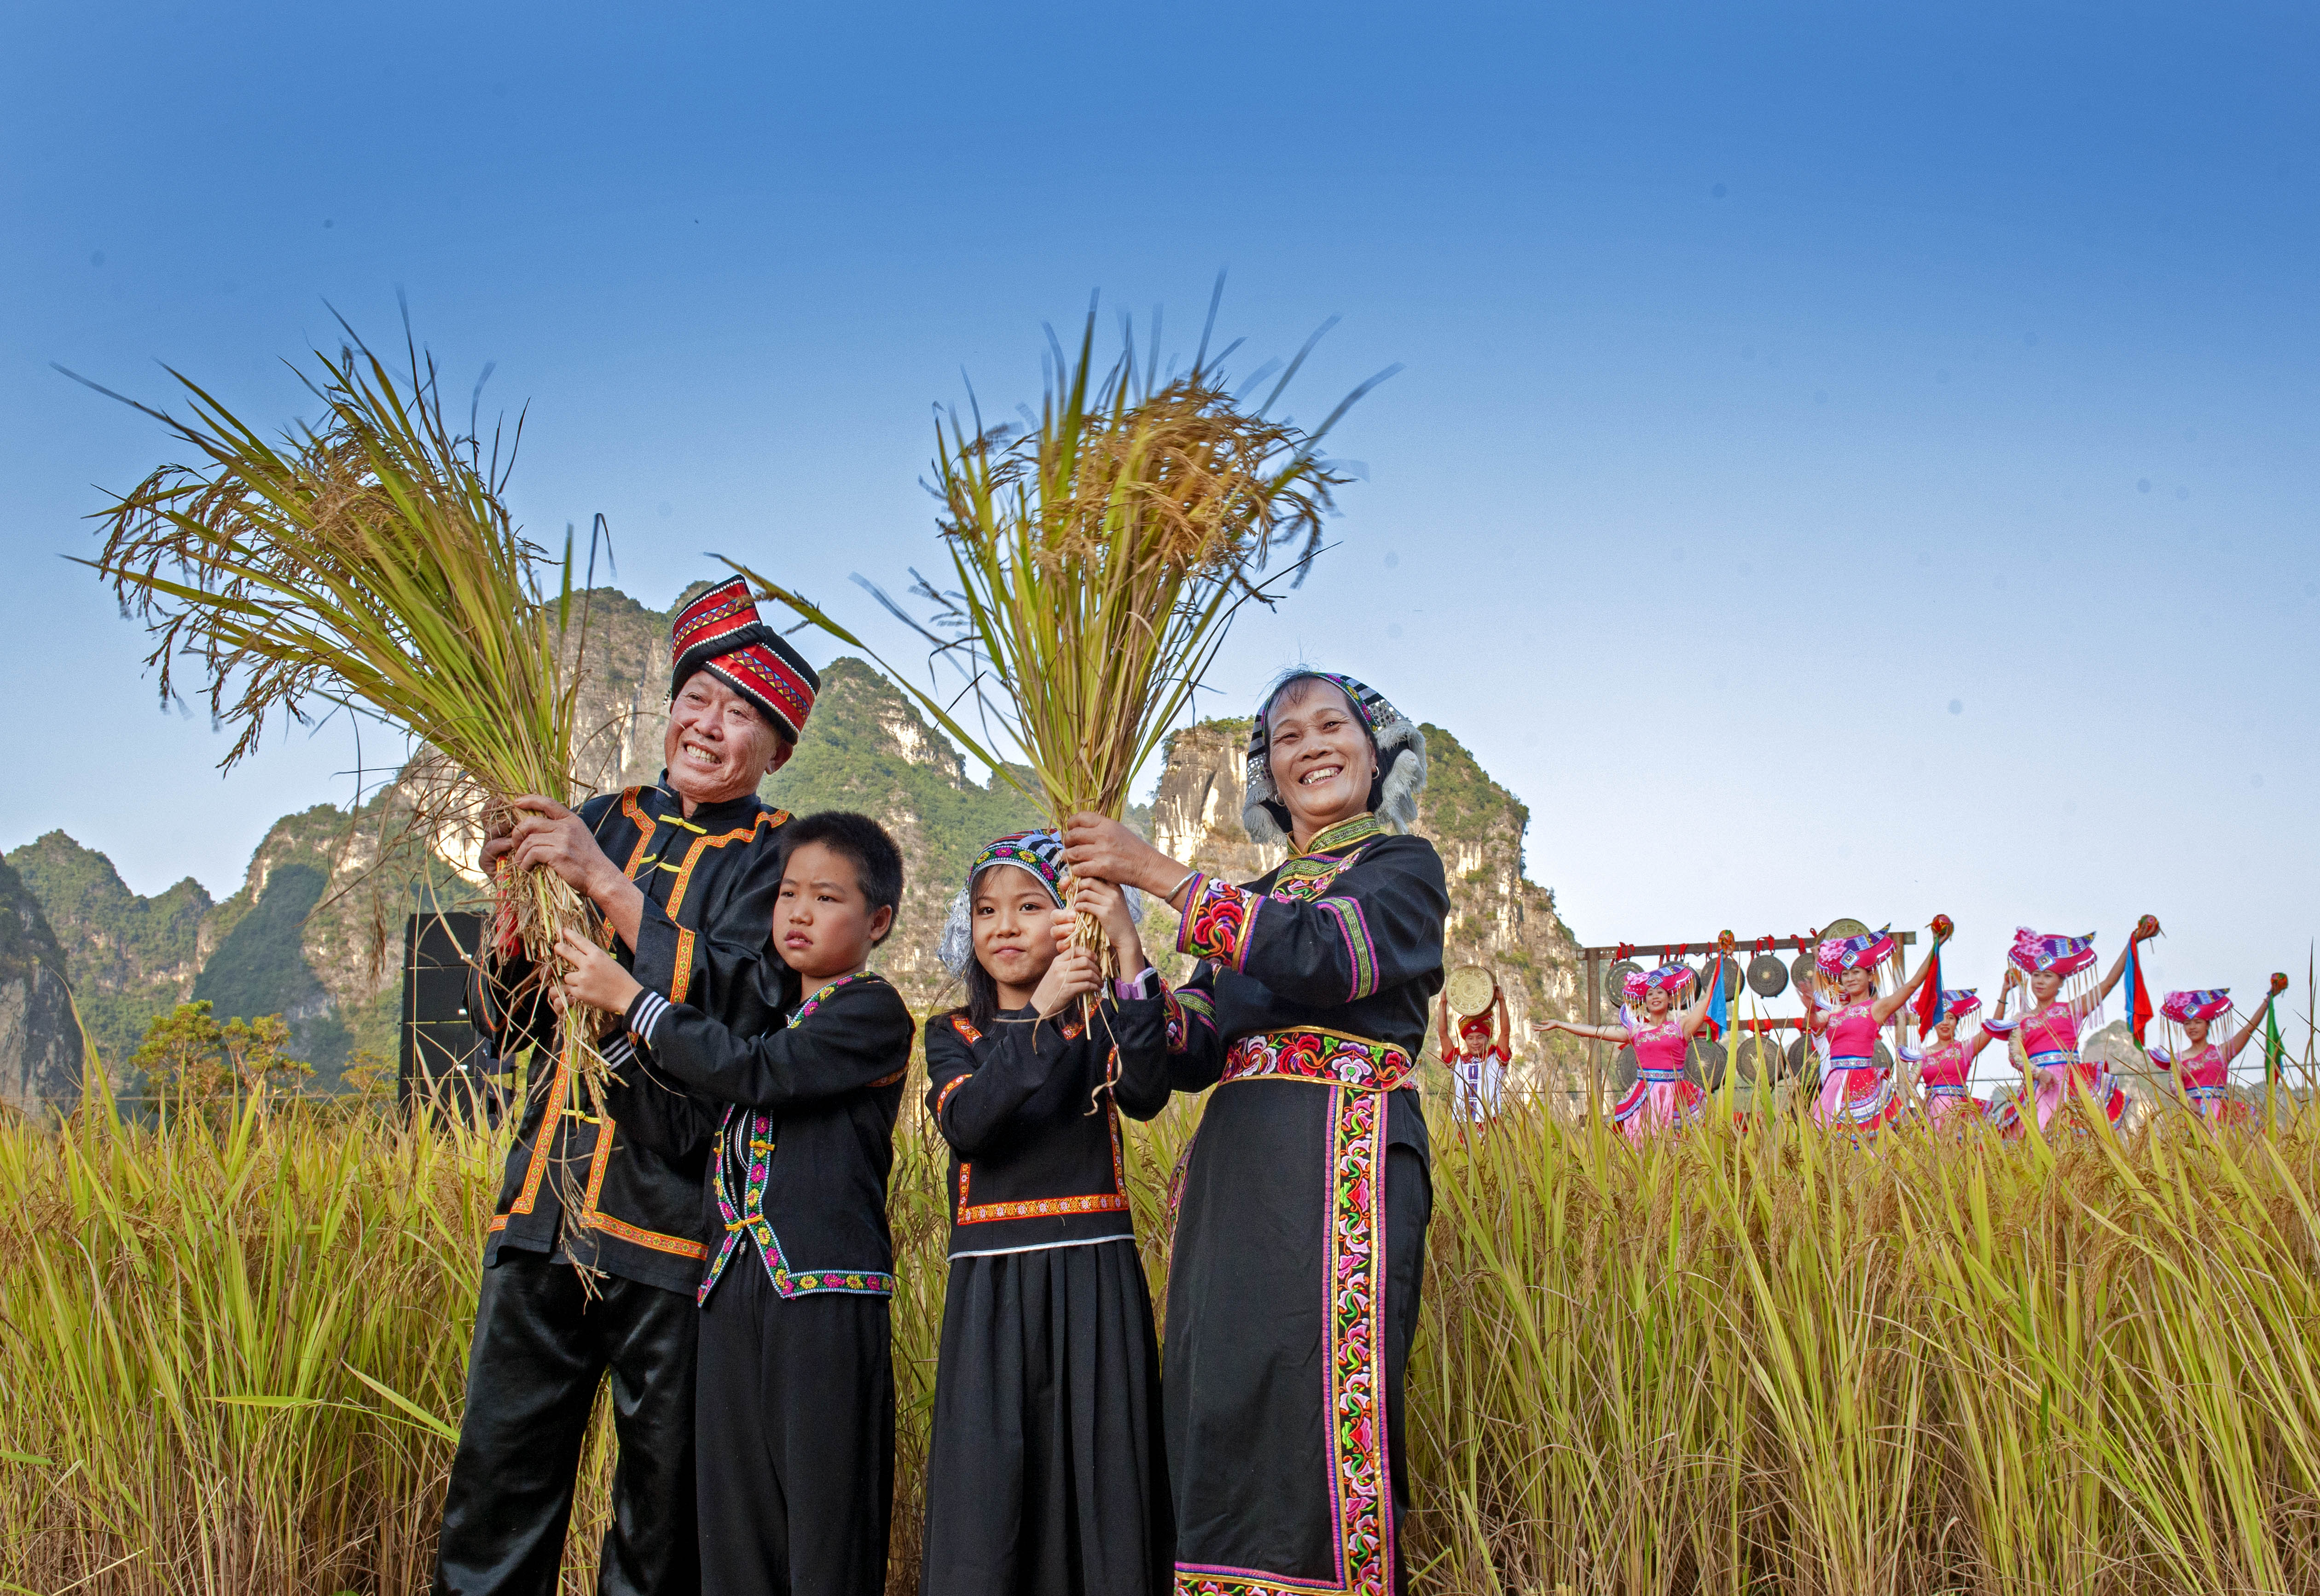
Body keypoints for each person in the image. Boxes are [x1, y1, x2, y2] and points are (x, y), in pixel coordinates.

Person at [434, 577, 818, 1596]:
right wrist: (511, 920)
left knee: (663, 1523)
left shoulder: (783, 860)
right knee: (495, 1494)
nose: (709, 724)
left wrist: (604, 881)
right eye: (697, 696)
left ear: (777, 750)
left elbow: (746, 1003)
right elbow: (505, 1026)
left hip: (682, 1232)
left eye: (743, 714)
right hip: (543, 1212)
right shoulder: (596, 813)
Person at [1061, 669, 1444, 1596]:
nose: (1309, 746)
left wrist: (1153, 872)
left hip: (1338, 1162)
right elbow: (1173, 1062)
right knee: (1215, 1403)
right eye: (1286, 737)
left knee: (1317, 1407)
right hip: (1234, 1186)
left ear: (1376, 748)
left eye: (1330, 728)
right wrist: (1123, 946)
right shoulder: (1246, 901)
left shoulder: (1401, 868)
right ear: (1267, 774)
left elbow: (1322, 957)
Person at [557, 811, 914, 1596]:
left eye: (826, 897)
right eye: (788, 892)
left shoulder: (872, 1013)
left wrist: (636, 999)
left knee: (825, 1522)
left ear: (877, 921)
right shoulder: (765, 1026)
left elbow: (759, 1075)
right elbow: (684, 1125)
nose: (797, 911)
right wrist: (608, 1032)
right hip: (729, 1295)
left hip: (822, 1294)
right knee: (734, 1527)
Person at [918, 831, 1174, 1596]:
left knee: (1104, 1480)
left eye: (1030, 907)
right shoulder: (952, 1034)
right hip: (991, 1294)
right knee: (991, 1489)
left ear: (1069, 921)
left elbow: (1148, 1092)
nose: (1004, 926)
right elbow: (970, 1123)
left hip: (1095, 1280)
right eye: (987, 910)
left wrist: (1125, 944)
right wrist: (1041, 1008)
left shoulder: (1097, 1026)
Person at [1983, 919, 2158, 1136]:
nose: (2040, 981)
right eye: (2036, 975)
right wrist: (2038, 1073)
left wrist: (2133, 943)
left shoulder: (2072, 1009)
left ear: (2061, 982)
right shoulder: (2020, 1020)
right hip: (2039, 1087)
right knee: (2037, 1142)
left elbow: (2109, 982)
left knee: (2077, 1141)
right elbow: (2015, 1057)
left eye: (2048, 976)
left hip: (2073, 1085)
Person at [1538, 966, 1715, 1142]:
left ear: (1670, 998)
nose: (1655, 997)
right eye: (1650, 994)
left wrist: (1722, 957)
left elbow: (1707, 1000)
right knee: (1640, 1148)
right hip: (1643, 1097)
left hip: (1674, 1096)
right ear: (1645, 1003)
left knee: (1676, 1147)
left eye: (1660, 992)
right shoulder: (1636, 1031)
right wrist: (1561, 1024)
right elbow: (1595, 1032)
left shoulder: (1681, 1028)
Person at [1800, 926, 1946, 1137]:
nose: (1850, 978)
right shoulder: (1834, 1014)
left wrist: (1935, 946)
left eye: (1856, 972)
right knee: (1833, 1148)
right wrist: (1811, 1008)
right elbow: (1814, 1024)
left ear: (1871, 976)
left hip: (1862, 1081)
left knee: (1866, 1144)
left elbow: (1913, 985)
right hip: (1834, 1084)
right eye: (1845, 974)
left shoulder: (1876, 1009)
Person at [2148, 977, 2283, 1125]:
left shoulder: (2222, 1052)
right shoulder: (2179, 1059)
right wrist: (2189, 1102)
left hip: (2223, 1114)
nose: (2192, 1027)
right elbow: (2176, 1086)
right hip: (2195, 1114)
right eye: (2188, 1024)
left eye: (2198, 1022)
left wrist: (2268, 1000)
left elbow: (2249, 1028)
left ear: (2207, 1025)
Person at [1897, 989, 2002, 1128]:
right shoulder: (1923, 1055)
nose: (1945, 1023)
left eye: (1951, 1018)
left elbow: (1992, 1029)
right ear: (1934, 1022)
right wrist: (1921, 1104)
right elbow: (1909, 1084)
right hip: (1934, 1115)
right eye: (1941, 1018)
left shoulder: (1965, 1049)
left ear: (1957, 1022)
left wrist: (2004, 993)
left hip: (1962, 1112)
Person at [1439, 981, 1510, 1124]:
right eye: (1470, 1038)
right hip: (1462, 1124)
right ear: (1465, 1040)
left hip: (1491, 1123)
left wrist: (1502, 1001)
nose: (1475, 1042)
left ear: (1488, 1038)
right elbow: (1443, 1036)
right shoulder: (1458, 1062)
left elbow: (1505, 1033)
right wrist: (1443, 1004)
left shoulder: (1496, 1061)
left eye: (1480, 1037)